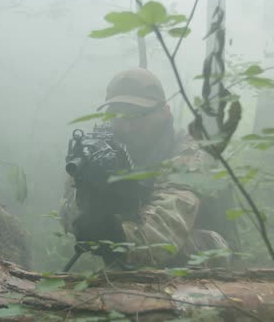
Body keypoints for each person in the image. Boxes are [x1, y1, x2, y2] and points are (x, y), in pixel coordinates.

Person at [60, 68, 240, 269]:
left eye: (137, 115)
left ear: (164, 112)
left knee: (201, 244)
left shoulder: (190, 152)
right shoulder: (104, 148)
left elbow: (167, 227)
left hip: (208, 258)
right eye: (117, 115)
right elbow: (68, 210)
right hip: (137, 258)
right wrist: (88, 202)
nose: (125, 126)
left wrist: (116, 235)